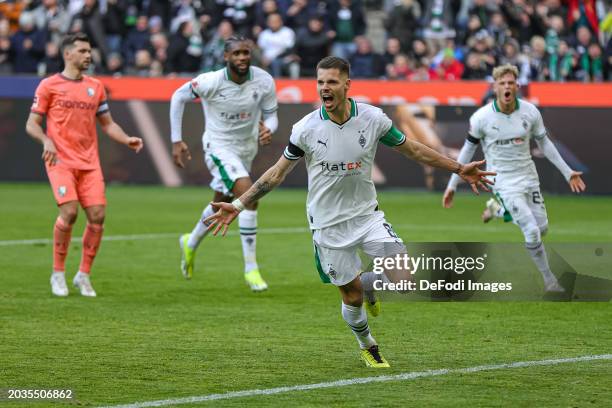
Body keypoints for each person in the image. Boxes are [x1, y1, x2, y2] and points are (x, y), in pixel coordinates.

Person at [204, 56, 493, 367]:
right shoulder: (305, 129)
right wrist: (237, 204)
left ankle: (369, 282)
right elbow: (275, 173)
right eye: (320, 82)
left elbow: (413, 149)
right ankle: (367, 344)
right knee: (352, 298)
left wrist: (459, 167)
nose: (325, 88)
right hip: (328, 228)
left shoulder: (373, 119)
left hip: (367, 217)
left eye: (331, 82)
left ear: (346, 85)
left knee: (405, 279)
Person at [443, 64, 586, 292]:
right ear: (495, 87)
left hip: (529, 176)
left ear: (517, 86)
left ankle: (497, 210)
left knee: (543, 229)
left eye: (511, 83)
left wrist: (568, 172)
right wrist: (452, 184)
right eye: (502, 83)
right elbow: (467, 151)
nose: (507, 86)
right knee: (530, 230)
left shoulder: (530, 112)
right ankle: (550, 281)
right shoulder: (481, 118)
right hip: (502, 180)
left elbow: (545, 144)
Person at [25, 33, 144, 297]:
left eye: (89, 51)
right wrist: (46, 140)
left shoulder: (95, 87)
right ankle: (58, 273)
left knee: (98, 217)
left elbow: (108, 123)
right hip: (60, 160)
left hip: (89, 162)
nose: (88, 55)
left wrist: (127, 139)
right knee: (69, 213)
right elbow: (31, 123)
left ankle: (83, 275)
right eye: (82, 51)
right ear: (67, 54)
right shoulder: (49, 85)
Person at [169, 35, 278, 292]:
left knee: (222, 201)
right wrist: (176, 140)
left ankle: (190, 241)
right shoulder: (211, 81)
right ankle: (251, 268)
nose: (242, 57)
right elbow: (177, 97)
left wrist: (268, 130)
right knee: (249, 195)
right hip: (218, 147)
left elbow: (272, 116)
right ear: (226, 57)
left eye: (246, 53)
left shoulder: (263, 80)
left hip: (246, 149)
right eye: (237, 53)